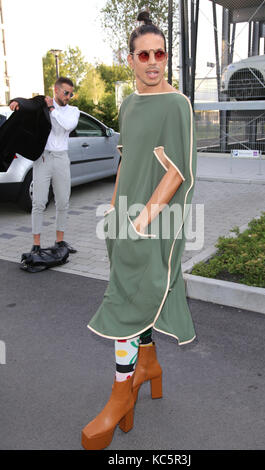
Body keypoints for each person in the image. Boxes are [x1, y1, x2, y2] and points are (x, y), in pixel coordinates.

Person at [81, 11, 197, 450]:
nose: (153, 61)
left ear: (167, 57)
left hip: (153, 223)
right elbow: (128, 160)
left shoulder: (177, 104)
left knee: (125, 309)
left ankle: (119, 395)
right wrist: (113, 214)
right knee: (135, 297)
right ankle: (147, 367)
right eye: (144, 54)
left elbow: (176, 173)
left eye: (160, 53)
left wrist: (139, 223)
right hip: (125, 220)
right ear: (129, 59)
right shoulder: (129, 103)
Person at [9, 77, 80, 254]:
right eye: (66, 93)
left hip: (62, 158)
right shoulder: (43, 106)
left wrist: (51, 109)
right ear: (56, 90)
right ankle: (36, 244)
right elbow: (29, 104)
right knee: (39, 202)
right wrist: (16, 102)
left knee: (63, 201)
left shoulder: (73, 111)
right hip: (43, 158)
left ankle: (60, 241)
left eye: (71, 93)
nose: (68, 96)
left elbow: (67, 125)